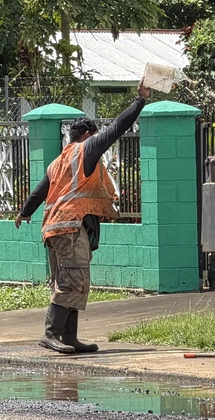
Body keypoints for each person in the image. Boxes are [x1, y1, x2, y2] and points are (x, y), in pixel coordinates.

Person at [15, 84, 148, 354]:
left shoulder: (58, 161)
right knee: (72, 280)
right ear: (87, 135)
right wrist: (139, 102)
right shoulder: (85, 150)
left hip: (54, 229)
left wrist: (25, 212)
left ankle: (69, 337)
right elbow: (117, 129)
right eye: (94, 136)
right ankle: (51, 334)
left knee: (69, 279)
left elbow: (40, 190)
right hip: (70, 226)